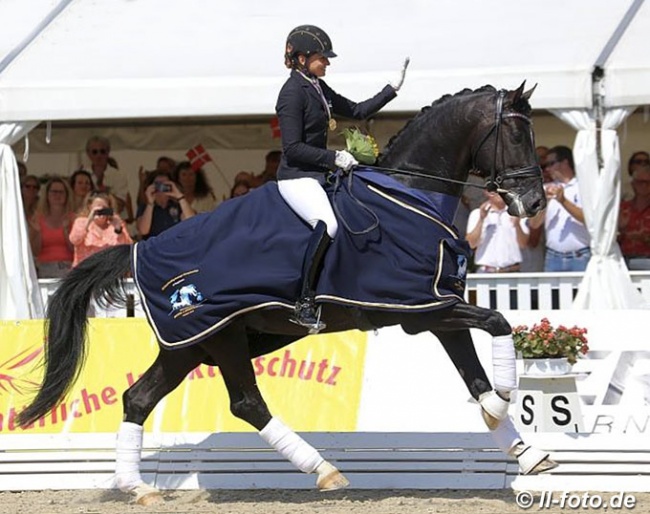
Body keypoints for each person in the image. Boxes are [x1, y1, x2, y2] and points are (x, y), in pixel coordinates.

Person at [276, 25, 407, 332]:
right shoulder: (292, 93)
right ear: (302, 57)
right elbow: (293, 149)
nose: (328, 63)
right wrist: (333, 157)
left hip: (318, 173)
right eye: (323, 58)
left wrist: (392, 89)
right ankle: (304, 302)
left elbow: (358, 111)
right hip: (297, 177)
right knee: (329, 225)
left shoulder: (316, 87)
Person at [529, 145, 590, 272]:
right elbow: (534, 224)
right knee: (551, 292)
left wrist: (563, 201)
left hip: (580, 256)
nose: (547, 169)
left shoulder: (584, 186)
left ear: (565, 162)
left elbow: (589, 220)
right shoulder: (546, 188)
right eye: (545, 165)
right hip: (553, 257)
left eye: (551, 164)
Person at [465, 191, 529, 273]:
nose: (499, 193)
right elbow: (470, 244)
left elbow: (523, 244)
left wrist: (517, 225)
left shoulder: (517, 213)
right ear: (487, 192)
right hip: (486, 272)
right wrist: (481, 219)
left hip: (511, 272)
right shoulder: (476, 213)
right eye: (495, 190)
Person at [69, 192, 132, 267]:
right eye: (98, 209)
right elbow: (75, 240)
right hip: (85, 271)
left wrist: (118, 230)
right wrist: (89, 220)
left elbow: (127, 248)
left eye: (104, 209)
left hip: (110, 270)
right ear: (90, 207)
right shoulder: (81, 222)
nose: (101, 212)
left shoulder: (117, 224)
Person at [28, 177, 75, 278]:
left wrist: (66, 232)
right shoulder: (37, 219)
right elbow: (34, 252)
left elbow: (75, 249)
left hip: (69, 267)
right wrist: (37, 231)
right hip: (45, 268)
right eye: (54, 192)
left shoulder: (73, 218)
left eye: (61, 192)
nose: (57, 195)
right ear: (47, 195)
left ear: (67, 195)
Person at [85, 136, 134, 223]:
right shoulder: (82, 174)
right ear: (88, 154)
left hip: (113, 224)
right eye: (94, 152)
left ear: (108, 152)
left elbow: (121, 205)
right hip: (88, 223)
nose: (99, 155)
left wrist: (104, 192)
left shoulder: (119, 175)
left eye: (102, 151)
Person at [136, 171, 195, 239]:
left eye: (165, 184)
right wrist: (150, 203)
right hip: (154, 246)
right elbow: (143, 231)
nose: (161, 187)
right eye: (158, 184)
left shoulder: (178, 206)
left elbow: (192, 222)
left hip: (175, 245)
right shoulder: (145, 208)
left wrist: (179, 196)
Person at [619, 164, 650, 270]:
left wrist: (642, 237)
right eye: (640, 182)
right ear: (633, 184)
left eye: (647, 182)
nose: (644, 186)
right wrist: (621, 230)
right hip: (623, 260)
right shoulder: (622, 208)